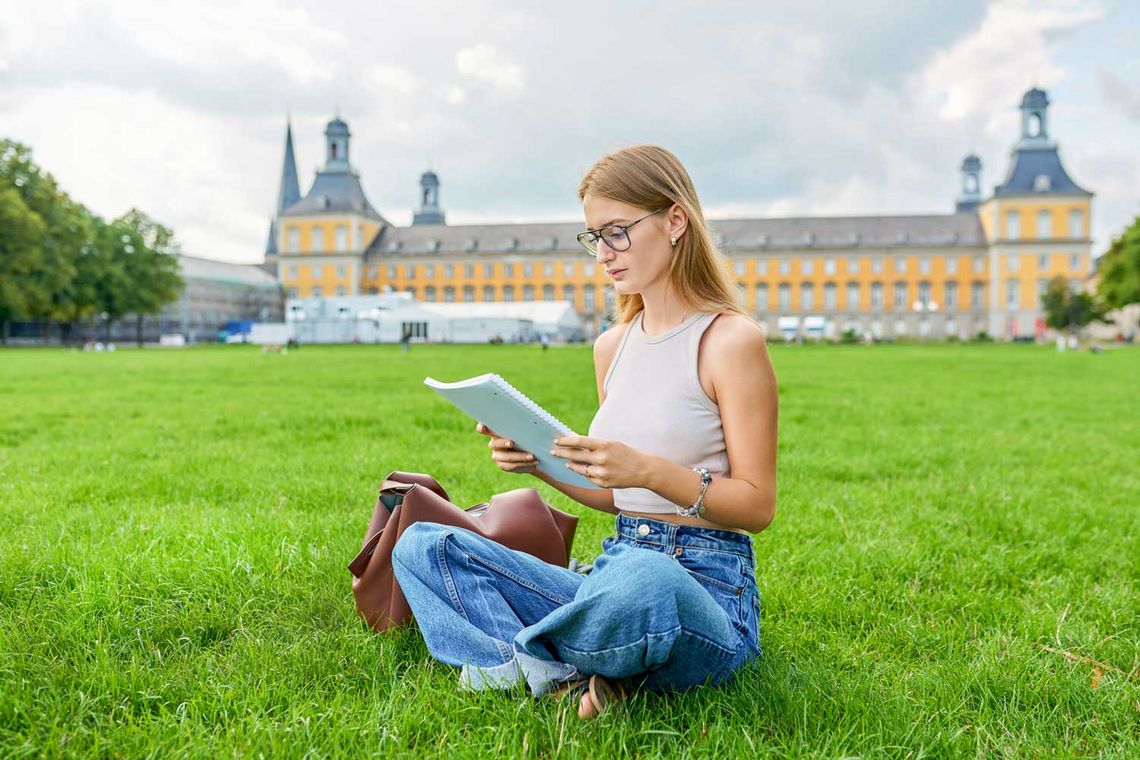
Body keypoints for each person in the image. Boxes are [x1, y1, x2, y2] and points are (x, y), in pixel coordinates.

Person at [391, 145, 778, 719]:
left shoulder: (729, 340)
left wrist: (647, 470)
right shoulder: (611, 347)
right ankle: (562, 670)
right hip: (615, 567)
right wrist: (539, 459)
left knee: (646, 584)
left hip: (703, 591)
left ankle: (549, 658)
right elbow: (614, 496)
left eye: (617, 232)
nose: (603, 253)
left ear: (675, 221)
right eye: (593, 236)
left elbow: (756, 506)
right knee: (425, 543)